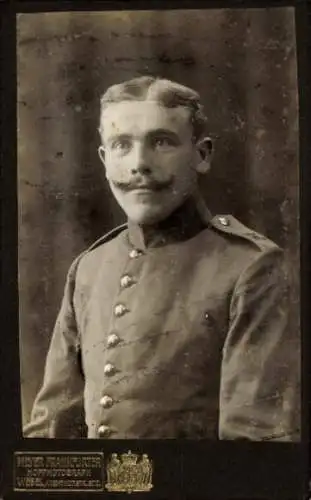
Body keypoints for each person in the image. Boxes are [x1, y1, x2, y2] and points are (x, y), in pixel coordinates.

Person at [23, 75, 300, 440]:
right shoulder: (90, 268)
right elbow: (50, 432)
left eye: (162, 142)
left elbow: (254, 447)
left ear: (201, 155)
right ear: (105, 160)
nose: (139, 163)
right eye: (122, 145)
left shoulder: (252, 267)